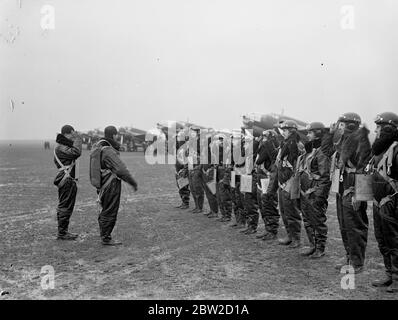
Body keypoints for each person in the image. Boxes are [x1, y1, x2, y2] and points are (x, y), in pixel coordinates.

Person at [331, 112, 371, 273]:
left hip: (353, 188)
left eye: (342, 124)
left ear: (350, 125)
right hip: (343, 187)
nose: (339, 126)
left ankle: (357, 262)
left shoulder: (361, 141)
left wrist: (358, 194)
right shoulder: (346, 140)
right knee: (344, 226)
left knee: (355, 226)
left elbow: (365, 169)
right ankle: (349, 257)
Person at [368, 112, 398, 293]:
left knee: (395, 241)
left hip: (392, 202)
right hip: (378, 203)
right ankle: (389, 273)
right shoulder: (378, 151)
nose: (376, 130)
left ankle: (397, 278)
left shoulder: (396, 149)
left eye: (379, 127)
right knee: (382, 240)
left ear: (388, 128)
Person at [96, 126, 138, 245]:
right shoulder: (108, 150)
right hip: (111, 184)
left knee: (105, 208)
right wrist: (132, 182)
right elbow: (120, 170)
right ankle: (106, 237)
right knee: (110, 209)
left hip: (102, 182)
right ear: (114, 135)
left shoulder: (99, 146)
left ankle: (104, 233)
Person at [297, 122, 331, 258]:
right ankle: (313, 245)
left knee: (317, 220)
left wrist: (318, 195)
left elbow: (325, 177)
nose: (307, 135)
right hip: (305, 192)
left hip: (315, 193)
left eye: (310, 132)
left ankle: (320, 248)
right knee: (307, 220)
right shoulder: (309, 151)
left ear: (317, 133)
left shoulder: (322, 151)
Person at [276, 120, 303, 248]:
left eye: (285, 130)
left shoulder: (296, 145)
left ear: (291, 131)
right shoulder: (285, 144)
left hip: (290, 181)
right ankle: (289, 235)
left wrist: (291, 181)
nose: (283, 133)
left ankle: (296, 238)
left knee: (292, 212)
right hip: (283, 181)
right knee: (284, 210)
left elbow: (297, 166)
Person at [53, 125, 82, 240]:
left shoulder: (61, 146)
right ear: (68, 133)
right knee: (65, 206)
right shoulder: (61, 147)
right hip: (67, 179)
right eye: (72, 134)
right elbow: (76, 152)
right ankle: (62, 233)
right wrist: (78, 138)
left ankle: (63, 231)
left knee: (66, 205)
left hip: (66, 179)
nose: (73, 136)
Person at [255, 130, 280, 241]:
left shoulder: (268, 146)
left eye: (265, 136)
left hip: (267, 177)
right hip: (264, 177)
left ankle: (272, 230)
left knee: (268, 204)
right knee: (263, 204)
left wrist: (261, 145)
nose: (262, 138)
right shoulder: (267, 145)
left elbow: (259, 160)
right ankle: (268, 229)